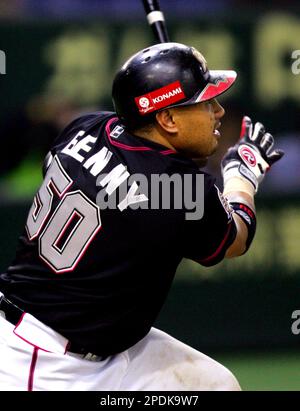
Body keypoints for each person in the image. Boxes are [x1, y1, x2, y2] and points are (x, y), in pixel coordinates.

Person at [0, 42, 283, 391]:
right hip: (43, 358)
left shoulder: (86, 127)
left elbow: (142, 171)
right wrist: (243, 173)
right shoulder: (180, 190)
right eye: (205, 102)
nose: (219, 111)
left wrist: (170, 153)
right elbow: (235, 239)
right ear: (166, 118)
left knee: (216, 385)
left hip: (108, 345)